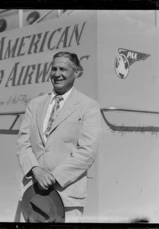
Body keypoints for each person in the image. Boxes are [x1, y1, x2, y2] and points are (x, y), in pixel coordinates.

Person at [17, 51, 101, 223]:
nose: (57, 74)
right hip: (33, 196)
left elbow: (87, 152)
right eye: (53, 69)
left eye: (63, 69)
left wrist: (53, 178)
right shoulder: (35, 105)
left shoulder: (88, 107)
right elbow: (23, 143)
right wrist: (36, 170)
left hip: (67, 197)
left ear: (76, 72)